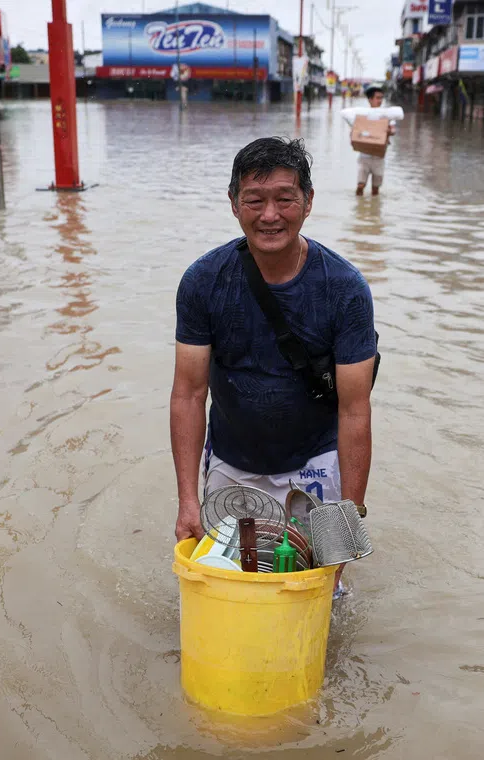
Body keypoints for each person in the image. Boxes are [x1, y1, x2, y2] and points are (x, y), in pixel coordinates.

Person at [171, 137, 378, 594]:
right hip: (232, 464)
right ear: (233, 204)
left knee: (322, 597)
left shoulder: (345, 289)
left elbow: (355, 410)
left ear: (307, 203)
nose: (270, 215)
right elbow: (188, 394)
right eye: (254, 200)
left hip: (316, 463)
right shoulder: (203, 282)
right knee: (229, 591)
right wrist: (188, 499)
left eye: (285, 199)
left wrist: (349, 517)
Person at [343, 85, 397, 197]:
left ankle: (374, 212)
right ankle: (359, 208)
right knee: (360, 186)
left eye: (381, 98)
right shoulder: (363, 115)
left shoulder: (386, 116)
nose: (380, 101)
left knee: (375, 190)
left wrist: (388, 131)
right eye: (377, 98)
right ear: (370, 99)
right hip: (364, 158)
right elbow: (355, 130)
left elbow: (393, 130)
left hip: (379, 158)